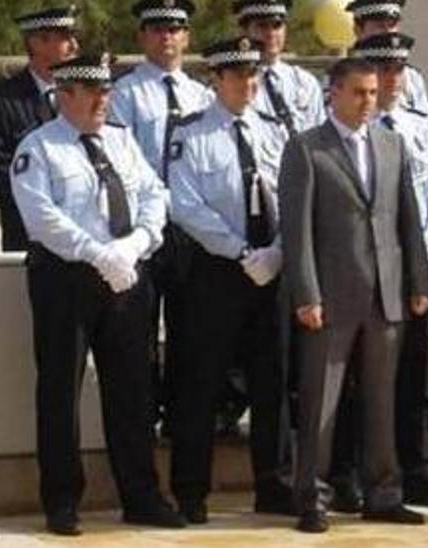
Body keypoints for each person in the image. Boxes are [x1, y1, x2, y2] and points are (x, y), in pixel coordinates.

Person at [12, 53, 185, 536]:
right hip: (66, 279)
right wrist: (96, 253)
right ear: (64, 95)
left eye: (106, 92)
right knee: (60, 389)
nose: (102, 101)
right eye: (92, 92)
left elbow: (155, 195)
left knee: (133, 388)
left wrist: (134, 245)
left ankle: (141, 495)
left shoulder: (123, 142)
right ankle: (63, 500)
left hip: (127, 275)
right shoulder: (39, 148)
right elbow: (42, 218)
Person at [281, 57, 428, 533]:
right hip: (332, 296)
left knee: (382, 400)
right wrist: (306, 292)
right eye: (359, 93)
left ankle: (384, 493)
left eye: (373, 92)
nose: (369, 101)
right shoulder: (307, 149)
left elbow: (407, 217)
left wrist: (419, 282)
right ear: (335, 94)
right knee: (320, 402)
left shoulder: (392, 144)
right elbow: (296, 229)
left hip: (386, 294)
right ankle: (313, 497)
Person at [327, 31, 428, 511]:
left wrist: (424, 242)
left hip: (412, 268)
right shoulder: (335, 129)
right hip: (361, 270)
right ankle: (346, 475)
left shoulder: (420, 128)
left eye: (399, 69)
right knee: (351, 379)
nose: (392, 80)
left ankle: (416, 472)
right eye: (382, 70)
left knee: (413, 376)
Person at [164, 35, 290, 523]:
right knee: (202, 383)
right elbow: (187, 206)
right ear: (215, 79)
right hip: (217, 272)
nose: (248, 84)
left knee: (272, 380)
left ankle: (273, 483)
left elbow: (294, 195)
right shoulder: (191, 134)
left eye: (253, 75)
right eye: (238, 75)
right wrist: (240, 252)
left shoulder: (276, 130)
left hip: (272, 270)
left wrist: (277, 252)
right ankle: (191, 491)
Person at [109, 0, 213, 439]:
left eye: (175, 29)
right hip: (146, 228)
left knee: (191, 327)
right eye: (156, 29)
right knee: (140, 328)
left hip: (191, 228)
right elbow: (123, 161)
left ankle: (183, 414)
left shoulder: (201, 94)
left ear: (187, 37)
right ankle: (143, 414)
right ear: (143, 37)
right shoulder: (126, 93)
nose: (166, 37)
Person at [0, 5, 78, 252]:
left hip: (80, 232)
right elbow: (1, 166)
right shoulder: (1, 98)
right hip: (27, 233)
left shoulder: (82, 96)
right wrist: (46, 206)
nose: (74, 45)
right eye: (65, 38)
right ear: (37, 43)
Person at [233, 0, 325, 134]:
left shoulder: (305, 82)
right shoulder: (235, 84)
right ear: (245, 32)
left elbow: (320, 136)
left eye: (277, 25)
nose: (271, 34)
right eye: (262, 26)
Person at [344, 0, 428, 113]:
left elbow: (425, 122)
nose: (388, 32)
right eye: (380, 26)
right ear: (358, 30)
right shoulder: (342, 78)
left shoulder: (412, 77)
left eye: (392, 25)